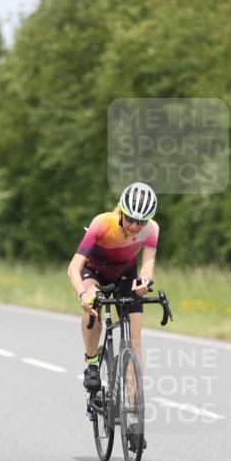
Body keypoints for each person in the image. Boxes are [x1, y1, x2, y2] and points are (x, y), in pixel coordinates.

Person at [67, 182, 159, 424]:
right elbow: (73, 268)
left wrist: (145, 280)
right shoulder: (102, 223)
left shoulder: (151, 229)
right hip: (94, 272)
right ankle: (93, 363)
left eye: (141, 222)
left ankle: (133, 413)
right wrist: (82, 295)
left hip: (125, 276)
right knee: (93, 303)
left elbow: (148, 264)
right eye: (130, 219)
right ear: (120, 211)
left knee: (135, 341)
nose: (135, 226)